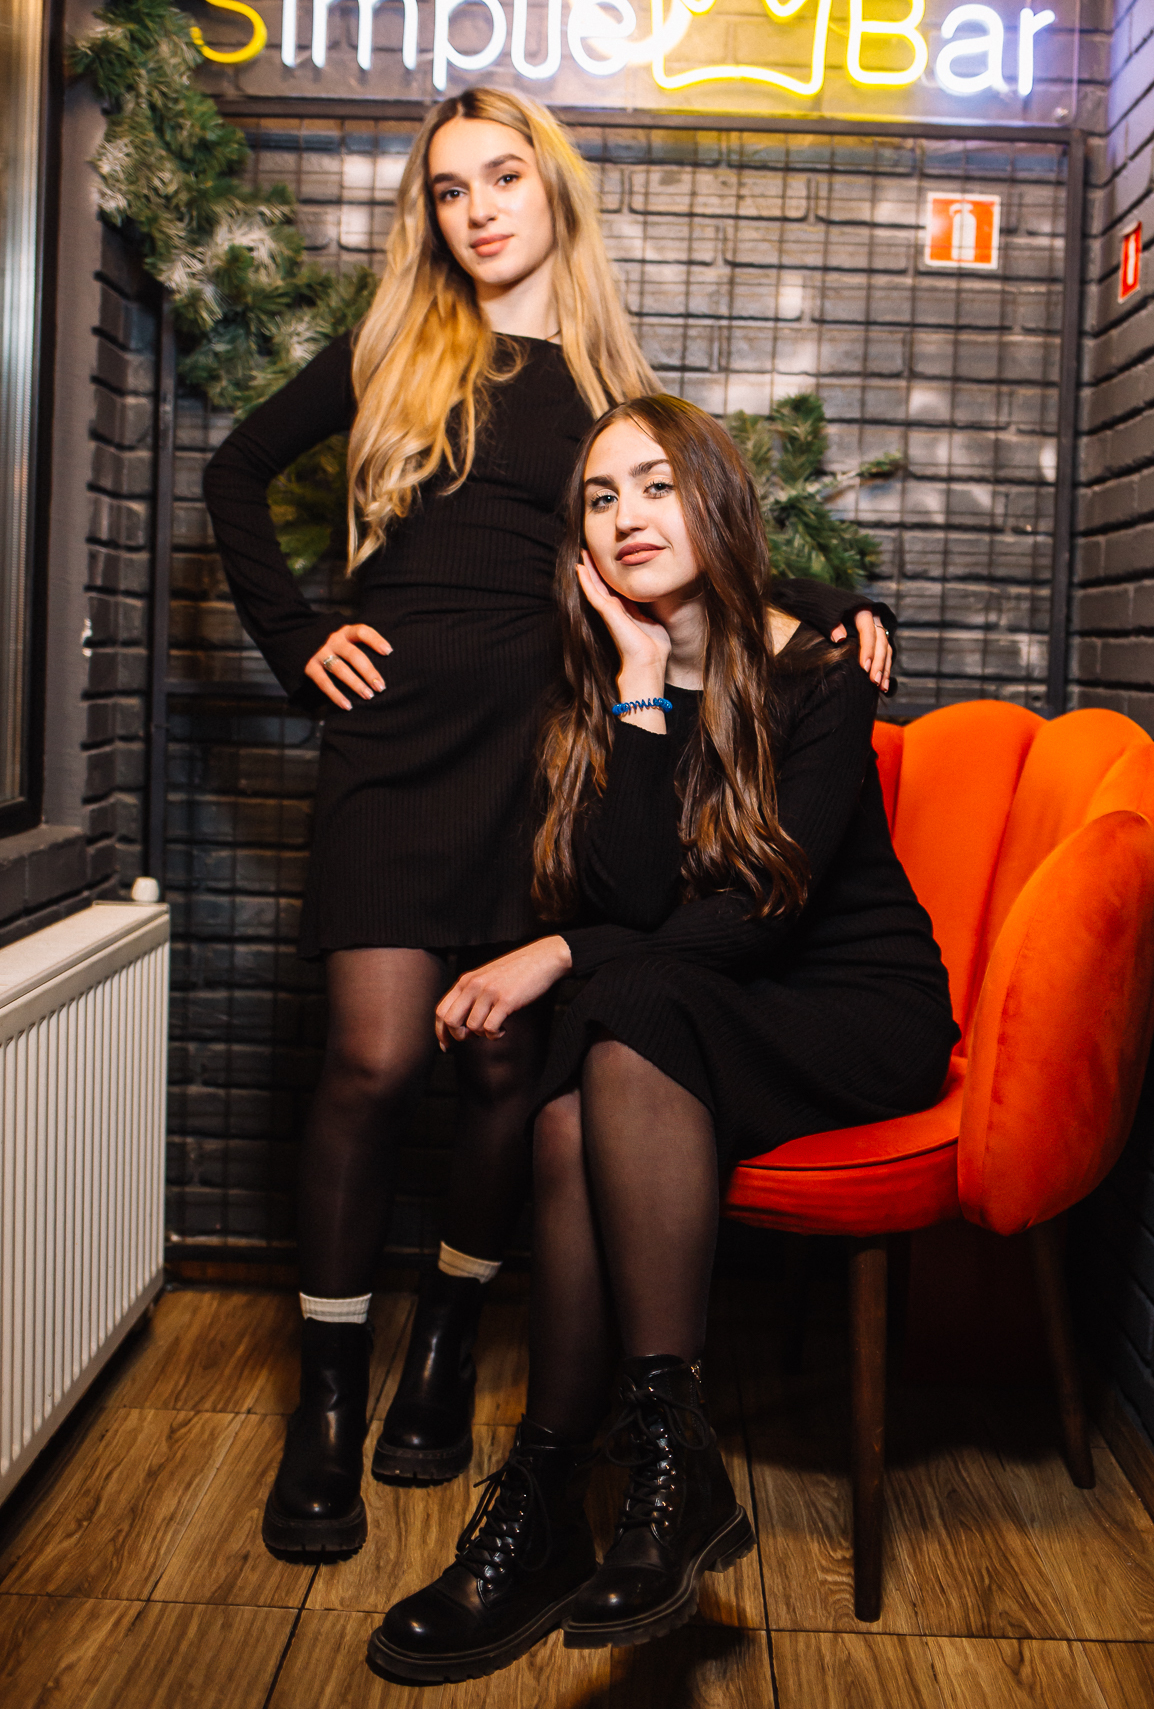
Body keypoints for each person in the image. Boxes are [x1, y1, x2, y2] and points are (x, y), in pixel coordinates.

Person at [202, 90, 895, 1562]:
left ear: (553, 191)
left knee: (508, 1061)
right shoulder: (392, 346)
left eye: (503, 177)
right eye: (449, 190)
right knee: (375, 1059)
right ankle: (327, 1400)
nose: (478, 211)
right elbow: (232, 473)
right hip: (395, 747)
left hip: (542, 748)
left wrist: (839, 606)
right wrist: (295, 640)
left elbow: (691, 535)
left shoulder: (606, 377)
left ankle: (449, 1344)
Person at [368, 395, 956, 1684]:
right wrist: (641, 688)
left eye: (656, 484)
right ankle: (597, 1478)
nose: (628, 516)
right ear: (580, 540)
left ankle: (594, 1482)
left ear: (714, 500)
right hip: (696, 1003)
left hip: (855, 1007)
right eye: (601, 497)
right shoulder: (599, 683)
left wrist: (557, 952)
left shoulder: (817, 671)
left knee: (615, 1007)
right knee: (580, 1096)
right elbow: (639, 900)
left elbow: (762, 910)